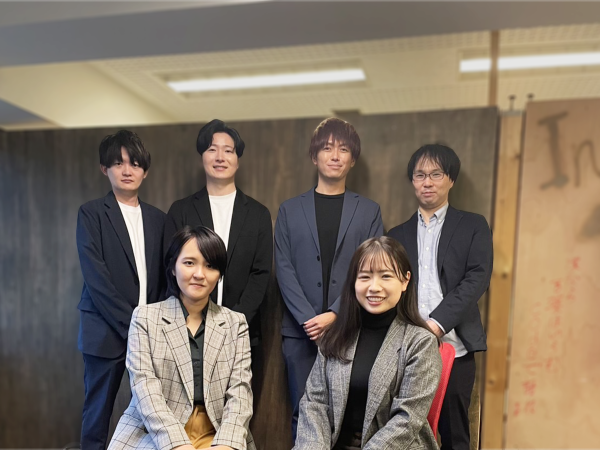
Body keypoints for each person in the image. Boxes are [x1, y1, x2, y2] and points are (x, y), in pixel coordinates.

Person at [274, 117, 384, 439]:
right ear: (314, 156)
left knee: (347, 416)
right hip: (300, 333)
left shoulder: (369, 211)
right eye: (327, 148)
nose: (335, 155)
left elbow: (371, 267)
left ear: (353, 159)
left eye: (343, 149)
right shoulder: (289, 210)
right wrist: (309, 320)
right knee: (303, 411)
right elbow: (283, 267)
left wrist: (336, 313)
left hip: (350, 327)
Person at [109, 226, 255, 450]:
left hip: (217, 431)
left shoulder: (236, 324)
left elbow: (240, 392)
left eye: (210, 266)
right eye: (189, 263)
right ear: (173, 267)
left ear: (219, 274)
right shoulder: (145, 318)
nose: (199, 274)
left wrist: (226, 444)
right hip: (152, 431)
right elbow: (145, 388)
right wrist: (177, 444)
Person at [387, 144, 493, 450]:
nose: (427, 182)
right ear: (412, 181)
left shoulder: (473, 226)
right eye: (420, 175)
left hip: (454, 347)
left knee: (455, 435)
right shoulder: (396, 235)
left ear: (451, 179)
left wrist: (436, 324)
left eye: (436, 174)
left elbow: (477, 278)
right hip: (406, 350)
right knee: (404, 433)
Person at [294, 236, 442, 450]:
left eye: (386, 276)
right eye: (365, 277)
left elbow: (407, 420)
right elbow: (314, 404)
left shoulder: (420, 343)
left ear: (405, 281)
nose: (374, 287)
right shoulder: (335, 335)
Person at [164, 119, 272, 391]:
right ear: (202, 156)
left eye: (228, 150)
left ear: (238, 159)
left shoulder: (258, 214)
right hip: (188, 330)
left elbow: (260, 274)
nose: (220, 157)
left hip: (242, 332)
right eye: (212, 149)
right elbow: (171, 268)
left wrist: (233, 323)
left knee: (238, 406)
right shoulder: (181, 210)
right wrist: (192, 322)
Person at [76, 130, 166, 450]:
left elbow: (165, 276)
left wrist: (152, 325)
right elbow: (96, 279)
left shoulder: (159, 219)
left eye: (134, 163)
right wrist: (133, 326)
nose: (127, 170)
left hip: (152, 333)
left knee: (155, 413)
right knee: (98, 413)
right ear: (105, 169)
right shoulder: (91, 214)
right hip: (105, 331)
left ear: (145, 170)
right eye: (118, 163)